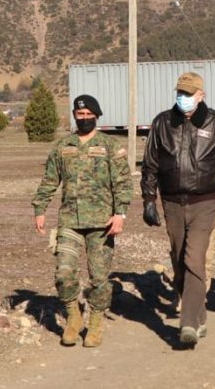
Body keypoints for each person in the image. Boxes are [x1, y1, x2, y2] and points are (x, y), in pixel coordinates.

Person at [140, 72, 215, 348]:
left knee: (194, 259)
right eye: (180, 93)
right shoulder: (162, 123)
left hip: (205, 202)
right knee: (178, 262)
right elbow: (150, 165)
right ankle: (199, 314)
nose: (183, 98)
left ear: (201, 95)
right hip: (172, 202)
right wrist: (149, 199)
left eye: (188, 93)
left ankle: (187, 323)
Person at [32, 94, 132, 348]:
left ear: (97, 116)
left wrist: (120, 214)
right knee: (64, 273)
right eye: (80, 115)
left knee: (99, 278)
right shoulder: (62, 146)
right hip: (69, 222)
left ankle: (96, 322)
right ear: (74, 116)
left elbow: (123, 182)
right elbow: (50, 180)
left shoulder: (109, 146)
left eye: (89, 115)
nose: (85, 119)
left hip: (102, 224)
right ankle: (73, 317)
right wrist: (40, 208)